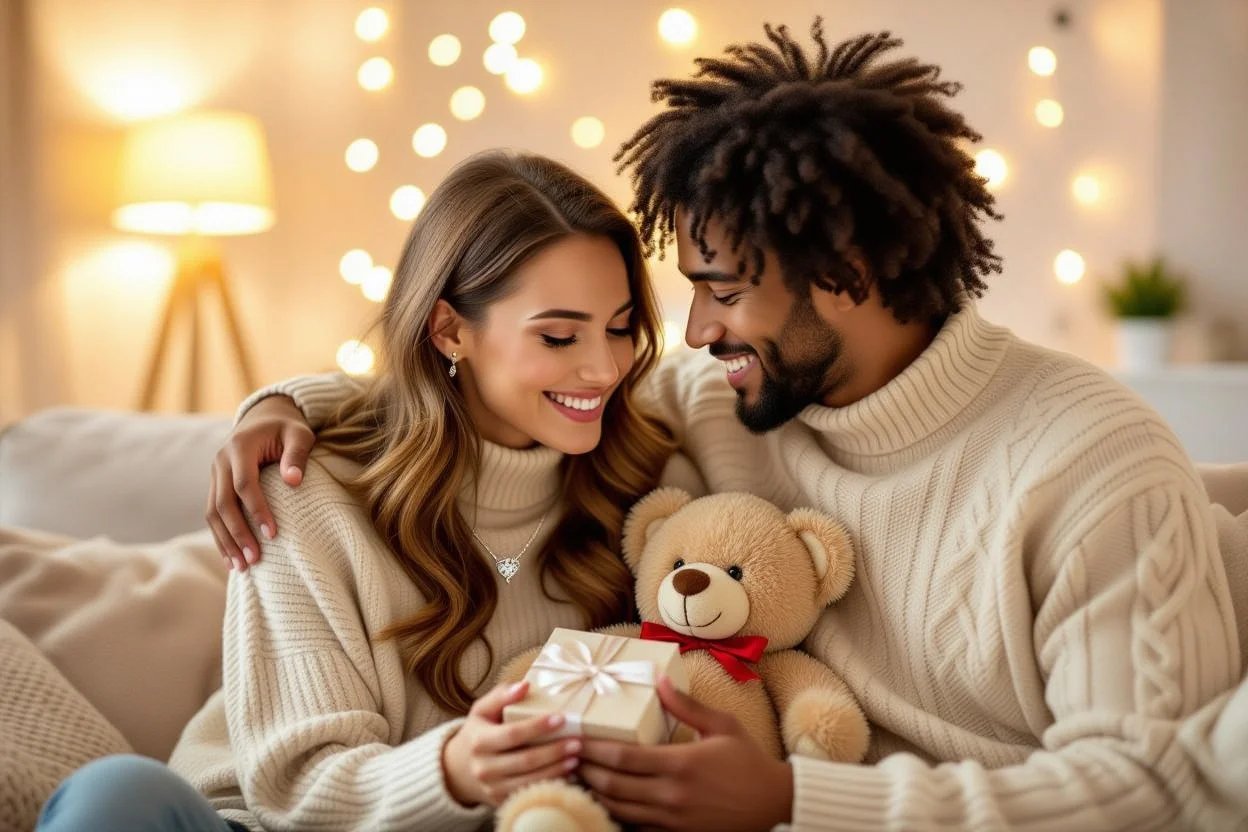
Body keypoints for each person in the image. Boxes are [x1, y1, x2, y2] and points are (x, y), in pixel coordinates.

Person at [208, 22, 1246, 831]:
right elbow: (495, 397)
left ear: (845, 276)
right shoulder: (724, 403)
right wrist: (286, 408)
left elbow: (1161, 787)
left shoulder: (1093, 461)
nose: (689, 333)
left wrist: (795, 802)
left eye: (724, 292)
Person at [36, 150, 701, 831]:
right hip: (267, 824)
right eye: (559, 336)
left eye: (620, 328)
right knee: (116, 796)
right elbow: (295, 783)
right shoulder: (303, 494)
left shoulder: (648, 482)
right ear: (449, 330)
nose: (603, 367)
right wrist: (454, 770)